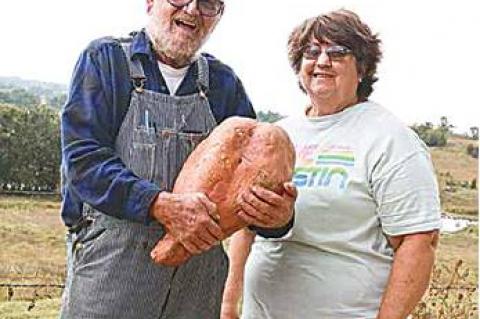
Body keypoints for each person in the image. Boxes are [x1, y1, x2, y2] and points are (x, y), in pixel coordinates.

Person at [59, 0, 295, 318]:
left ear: (219, 15)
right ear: (150, 2)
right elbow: (84, 160)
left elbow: (248, 187)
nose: (193, 10)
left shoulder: (224, 85)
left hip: (198, 280)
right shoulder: (106, 60)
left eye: (208, 3)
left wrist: (277, 219)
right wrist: (159, 204)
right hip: (113, 267)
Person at [221, 9, 441, 319]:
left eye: (338, 52)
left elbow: (417, 243)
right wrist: (228, 305)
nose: (322, 61)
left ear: (362, 68)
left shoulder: (390, 139)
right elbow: (247, 226)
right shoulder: (279, 135)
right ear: (299, 66)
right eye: (311, 52)